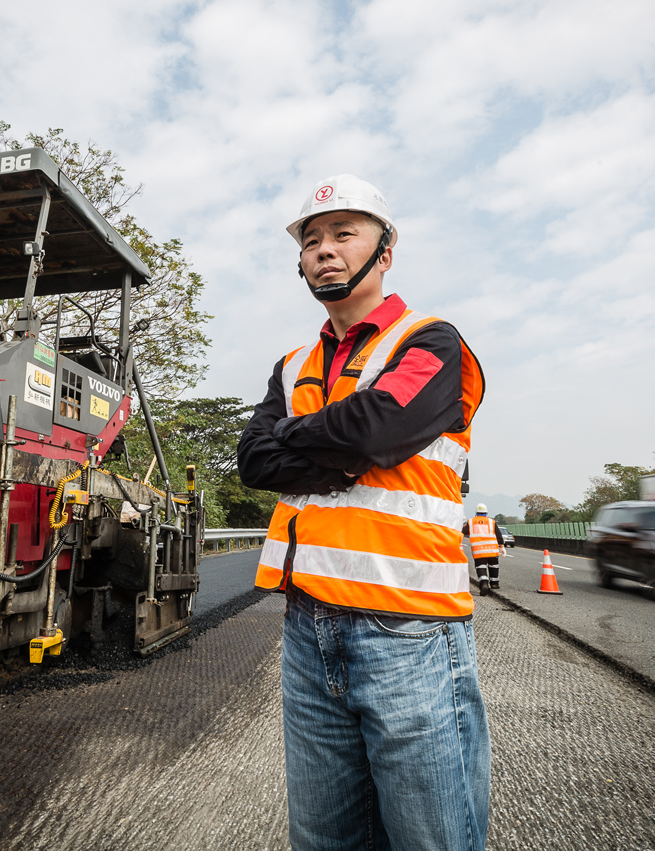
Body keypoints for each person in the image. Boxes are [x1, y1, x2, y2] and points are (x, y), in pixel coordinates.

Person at [237, 175, 489, 851]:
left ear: (384, 251)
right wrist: (339, 447)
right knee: (324, 837)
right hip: (307, 626)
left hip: (407, 628)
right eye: (312, 239)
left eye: (344, 234)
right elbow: (254, 461)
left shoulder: (430, 342)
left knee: (428, 837)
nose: (325, 250)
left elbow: (375, 432)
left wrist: (332, 442)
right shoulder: (293, 366)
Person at [463, 504, 501, 594]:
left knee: (481, 567)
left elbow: (462, 532)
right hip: (492, 550)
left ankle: (484, 583)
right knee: (494, 566)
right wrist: (502, 546)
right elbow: (498, 535)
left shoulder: (471, 521)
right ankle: (494, 583)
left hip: (479, 550)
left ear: (476, 513)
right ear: (486, 512)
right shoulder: (492, 522)